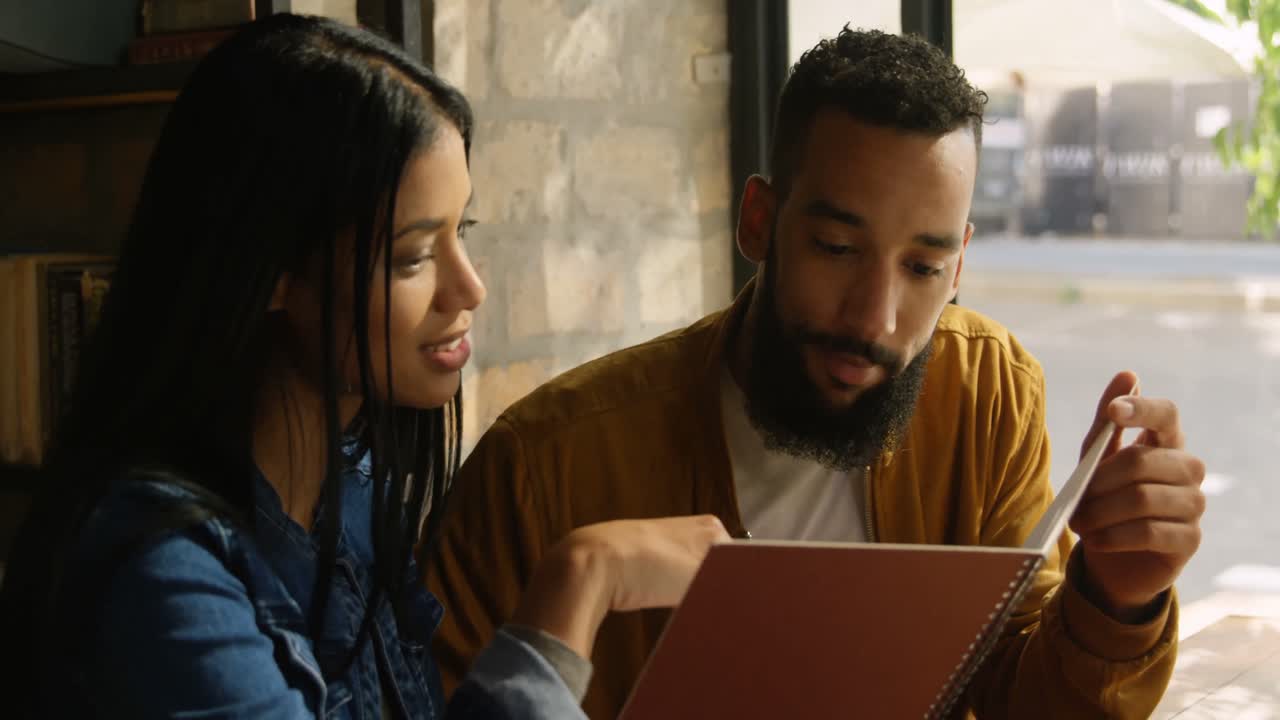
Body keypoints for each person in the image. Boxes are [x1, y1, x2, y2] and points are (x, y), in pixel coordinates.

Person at [429, 27, 1207, 720]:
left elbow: (1021, 699)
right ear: (760, 222)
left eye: (925, 267)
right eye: (836, 249)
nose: (875, 319)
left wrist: (1117, 596)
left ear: (961, 263)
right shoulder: (542, 469)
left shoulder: (985, 393)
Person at [0, 14, 729, 719]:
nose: (469, 287)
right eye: (414, 254)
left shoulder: (353, 505)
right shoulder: (159, 577)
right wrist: (581, 580)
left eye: (461, 232)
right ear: (273, 271)